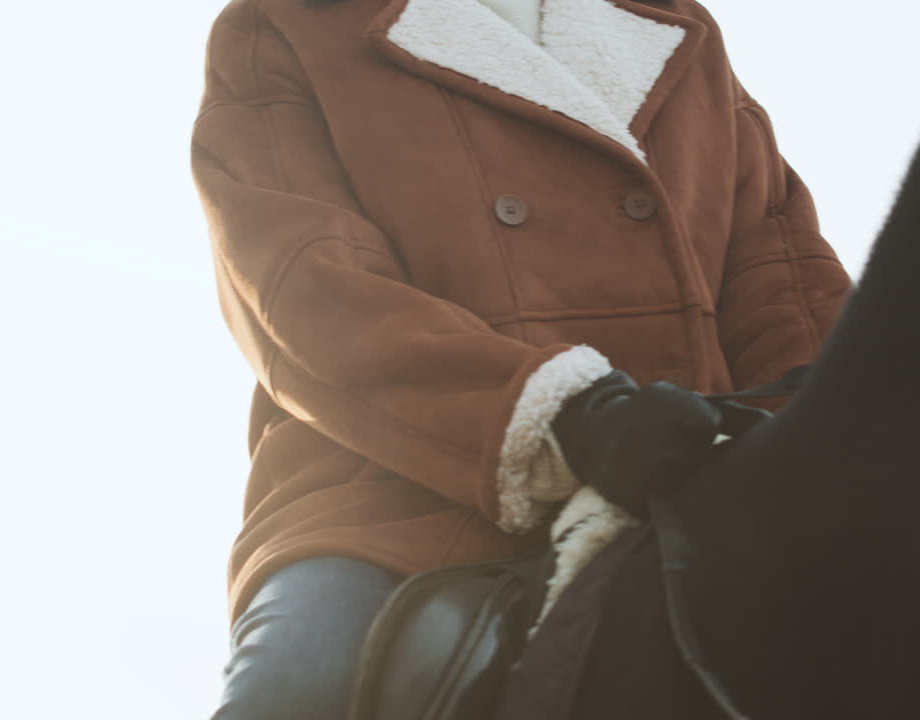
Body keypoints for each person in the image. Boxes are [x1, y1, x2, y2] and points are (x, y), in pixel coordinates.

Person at [191, 0, 852, 717]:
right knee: (301, 684)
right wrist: (562, 414)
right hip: (403, 486)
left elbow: (781, 278)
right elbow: (304, 289)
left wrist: (836, 426)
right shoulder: (284, 24)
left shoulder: (675, 29)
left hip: (681, 457)